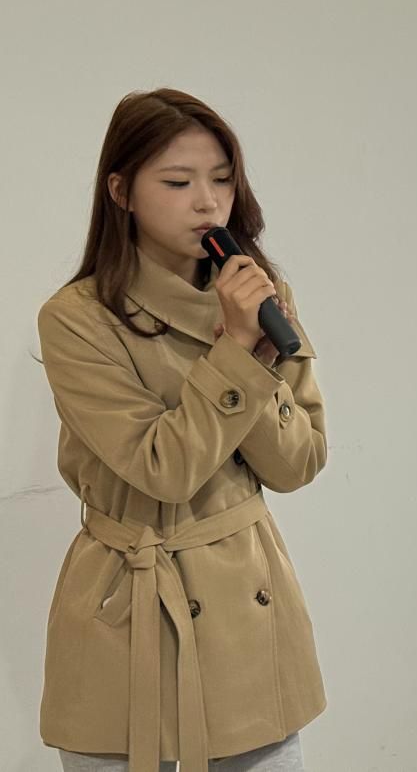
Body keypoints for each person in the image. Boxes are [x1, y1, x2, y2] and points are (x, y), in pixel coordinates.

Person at [34, 88, 328, 772]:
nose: (208, 203)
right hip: (129, 612)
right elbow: (162, 468)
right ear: (121, 191)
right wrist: (237, 352)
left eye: (222, 179)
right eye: (177, 182)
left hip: (247, 610)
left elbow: (298, 463)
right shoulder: (78, 318)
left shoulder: (262, 295)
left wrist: (250, 343)